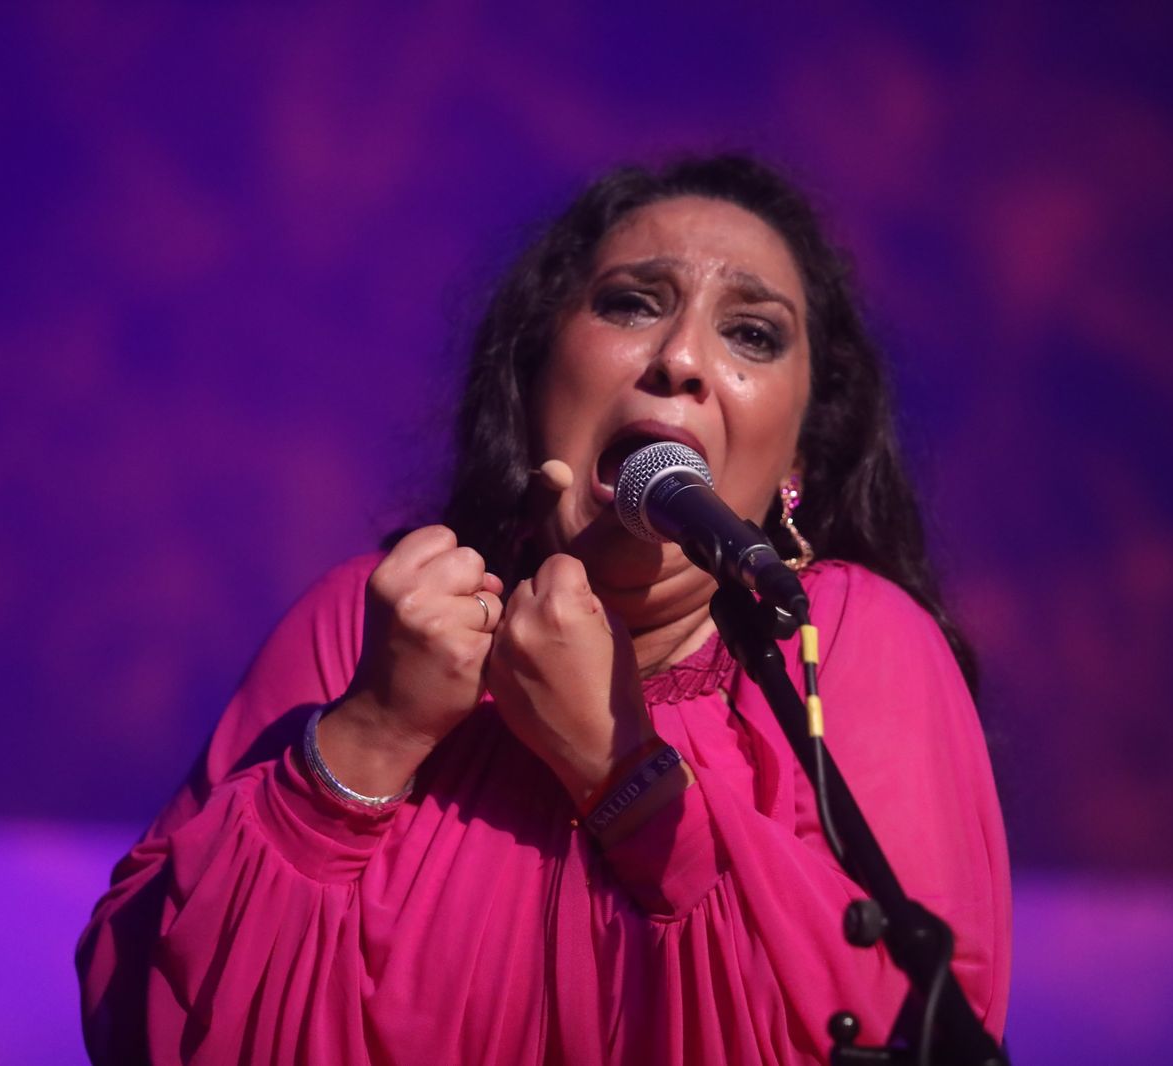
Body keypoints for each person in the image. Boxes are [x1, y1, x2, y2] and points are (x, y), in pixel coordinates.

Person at [76, 154, 1011, 1064]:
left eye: (752, 335)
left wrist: (618, 769)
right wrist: (374, 733)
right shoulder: (368, 623)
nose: (682, 358)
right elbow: (146, 1021)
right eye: (632, 304)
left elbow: (893, 1021)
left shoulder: (842, 636)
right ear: (533, 380)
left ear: (797, 461)